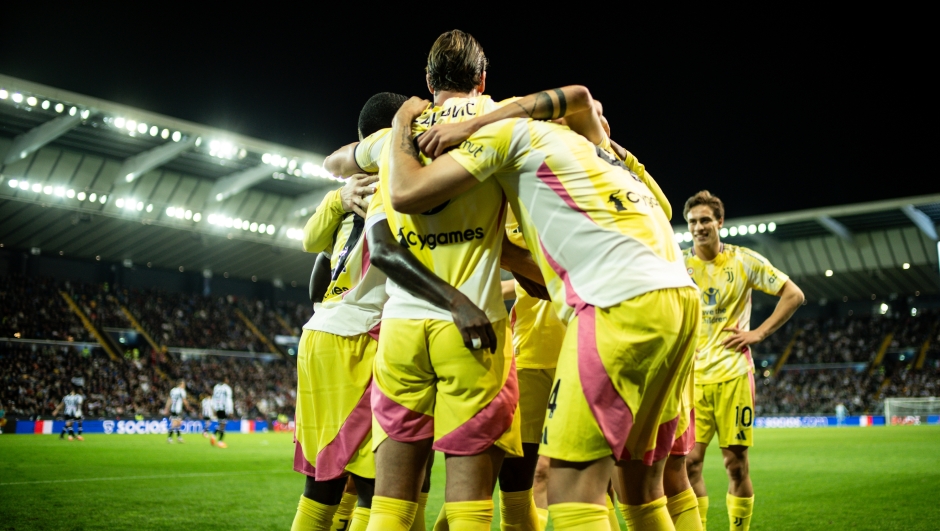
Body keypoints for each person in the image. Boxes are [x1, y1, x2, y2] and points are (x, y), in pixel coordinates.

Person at [385, 88, 699, 531]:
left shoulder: (507, 133)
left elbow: (405, 191)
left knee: (570, 493)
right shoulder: (596, 152)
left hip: (617, 301)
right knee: (643, 488)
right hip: (678, 299)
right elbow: (583, 99)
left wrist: (404, 126)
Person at [290, 91, 419, 531]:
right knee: (378, 487)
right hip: (358, 337)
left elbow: (310, 243)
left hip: (316, 337)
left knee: (321, 487)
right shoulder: (403, 182)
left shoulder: (349, 192)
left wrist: (338, 199)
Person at [682, 191, 804, 531]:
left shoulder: (743, 260)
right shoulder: (678, 265)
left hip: (734, 374)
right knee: (689, 463)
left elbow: (794, 295)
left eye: (705, 220)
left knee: (735, 464)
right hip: (692, 380)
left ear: (719, 222)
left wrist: (758, 334)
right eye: (692, 222)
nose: (699, 227)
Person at [211, 378, 234, 449]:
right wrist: (230, 410)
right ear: (225, 380)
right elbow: (229, 399)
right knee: (223, 424)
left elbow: (213, 397)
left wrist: (213, 408)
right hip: (224, 408)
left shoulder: (216, 387)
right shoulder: (227, 388)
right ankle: (220, 441)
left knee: (221, 423)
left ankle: (214, 435)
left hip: (217, 408)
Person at [164, 379, 188, 444]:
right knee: (175, 424)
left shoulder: (173, 390)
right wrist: (188, 407)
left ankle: (179, 438)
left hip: (173, 409)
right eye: (183, 384)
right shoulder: (182, 391)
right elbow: (184, 400)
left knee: (178, 423)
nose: (184, 385)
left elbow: (169, 399)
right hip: (178, 409)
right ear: (180, 384)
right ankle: (169, 438)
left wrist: (166, 408)